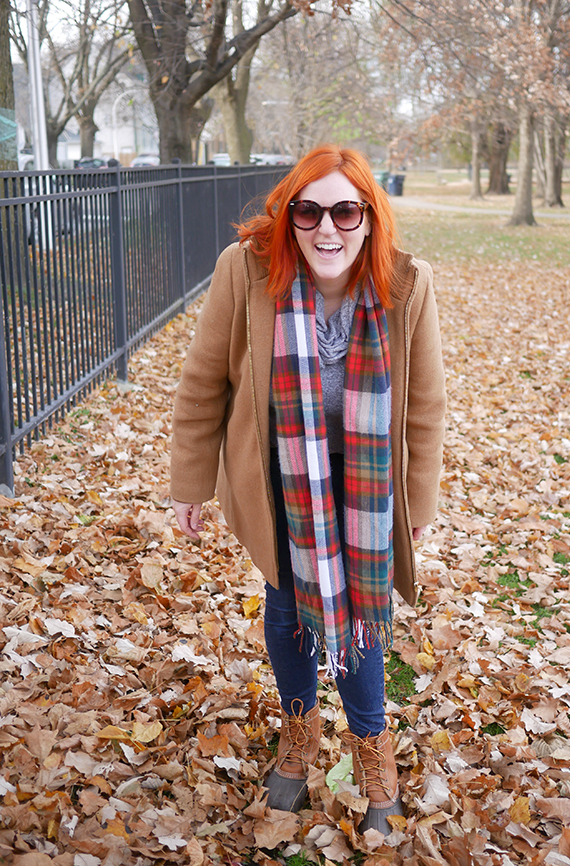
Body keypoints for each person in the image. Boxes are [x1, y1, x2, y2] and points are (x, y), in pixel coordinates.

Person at [170, 144, 446, 835]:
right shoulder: (248, 270)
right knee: (285, 599)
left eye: (346, 211)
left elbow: (424, 407)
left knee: (361, 610)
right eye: (309, 211)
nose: (328, 229)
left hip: (366, 489)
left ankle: (370, 748)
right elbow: (206, 381)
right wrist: (190, 484)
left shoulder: (408, 285)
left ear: (369, 219)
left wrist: (419, 505)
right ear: (288, 217)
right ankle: (299, 737)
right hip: (277, 479)